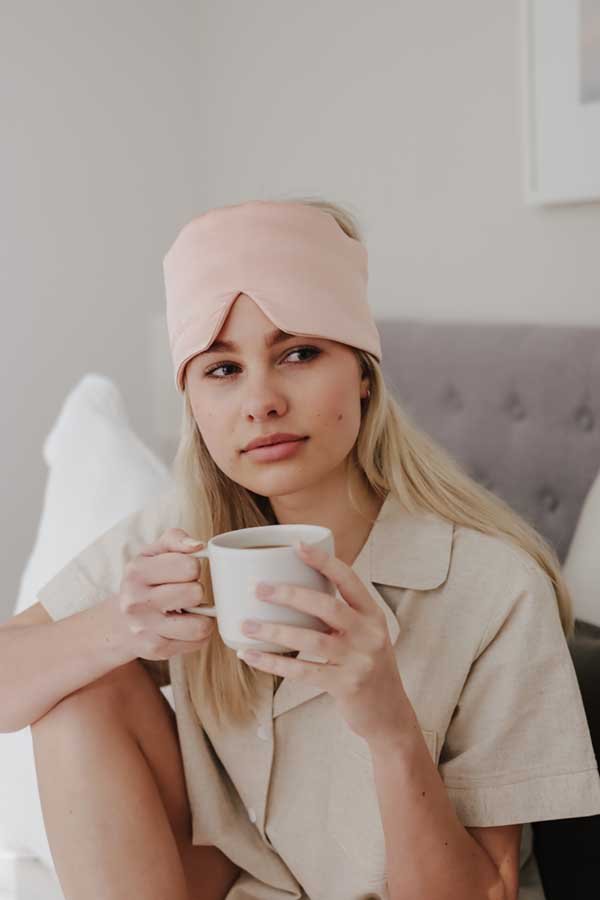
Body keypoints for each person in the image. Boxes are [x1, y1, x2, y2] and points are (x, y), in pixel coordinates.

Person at [2, 196, 600, 900]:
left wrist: (389, 726)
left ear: (365, 374)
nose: (261, 402)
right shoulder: (181, 532)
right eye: (222, 370)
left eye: (299, 354)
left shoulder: (496, 589)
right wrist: (113, 628)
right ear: (192, 400)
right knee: (77, 687)